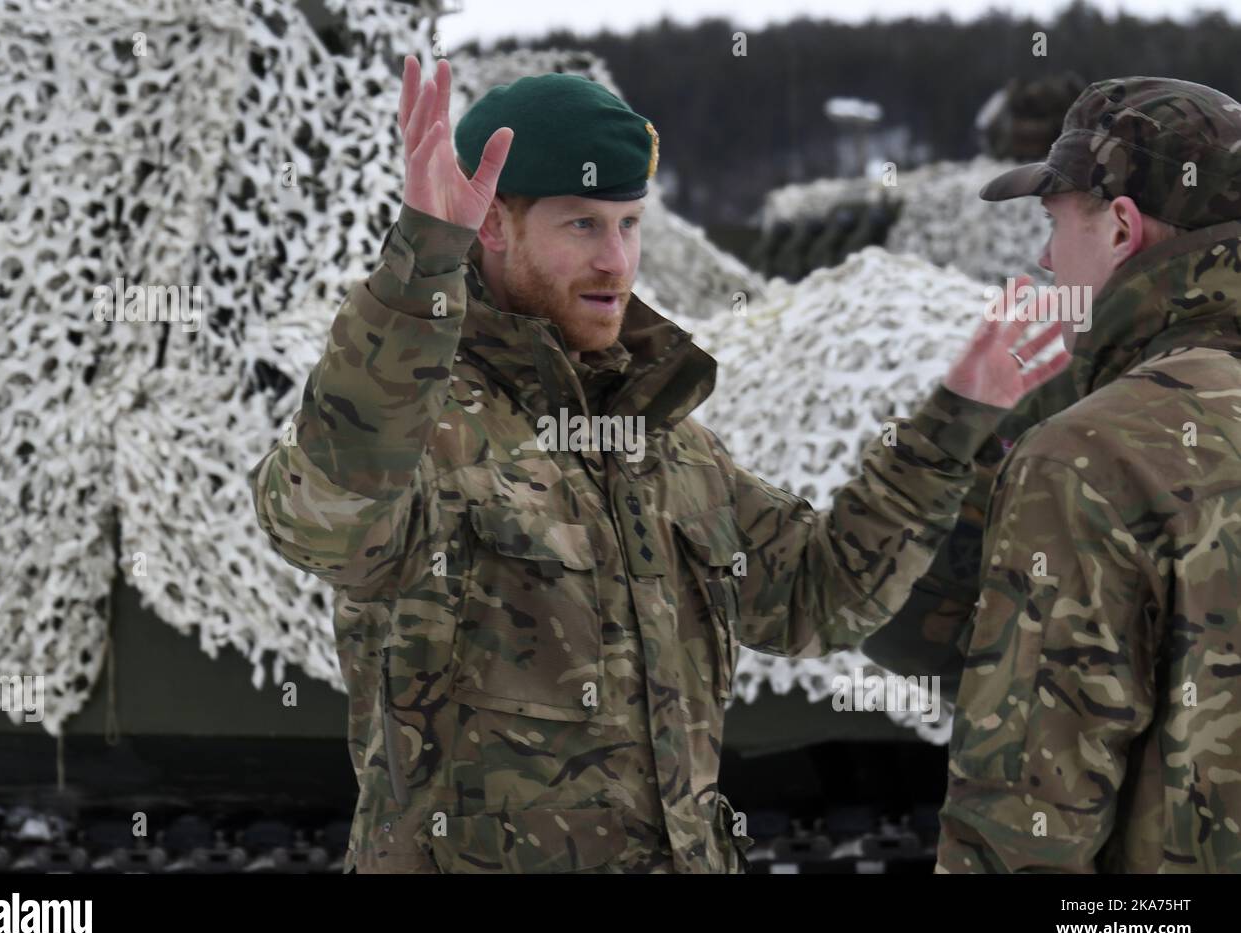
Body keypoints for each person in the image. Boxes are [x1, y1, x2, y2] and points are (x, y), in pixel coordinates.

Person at [248, 56, 1065, 873]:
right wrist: (424, 259)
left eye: (628, 223)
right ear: (492, 225)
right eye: (581, 226)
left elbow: (820, 594)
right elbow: (328, 513)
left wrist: (956, 417)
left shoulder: (663, 445)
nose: (616, 261)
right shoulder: (430, 429)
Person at [934, 77, 1241, 873]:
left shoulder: (1089, 457)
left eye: (1054, 222)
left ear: (1121, 230)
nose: (1043, 257)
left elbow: (1024, 825)